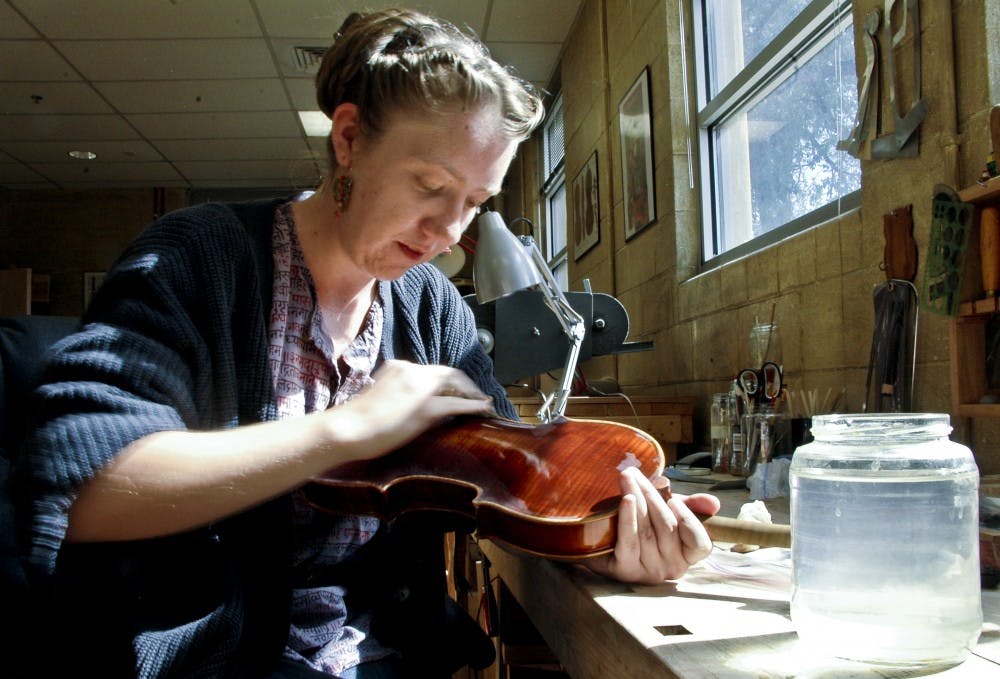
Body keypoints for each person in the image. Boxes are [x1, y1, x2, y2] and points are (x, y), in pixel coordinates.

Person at [15, 8, 720, 678]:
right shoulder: (196, 259)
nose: (449, 232)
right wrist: (346, 429)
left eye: (474, 202)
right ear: (348, 140)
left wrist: (599, 543)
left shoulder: (431, 306)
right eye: (430, 185)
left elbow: (511, 481)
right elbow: (87, 490)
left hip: (376, 652)